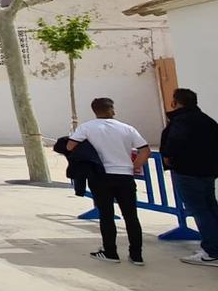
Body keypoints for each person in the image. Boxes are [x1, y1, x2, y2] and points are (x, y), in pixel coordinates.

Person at [68, 97, 150, 265]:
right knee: (131, 216)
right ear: (112, 109)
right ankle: (136, 255)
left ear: (94, 110)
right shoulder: (127, 128)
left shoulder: (87, 127)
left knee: (106, 215)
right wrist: (134, 166)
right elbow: (145, 150)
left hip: (100, 175)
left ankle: (110, 252)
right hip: (125, 175)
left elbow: (70, 146)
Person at [159, 88, 218, 267]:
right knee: (210, 208)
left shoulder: (181, 121)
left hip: (188, 172)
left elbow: (173, 144)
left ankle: (212, 251)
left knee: (200, 211)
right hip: (207, 172)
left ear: (175, 102)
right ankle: (213, 246)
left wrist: (168, 158)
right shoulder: (207, 120)